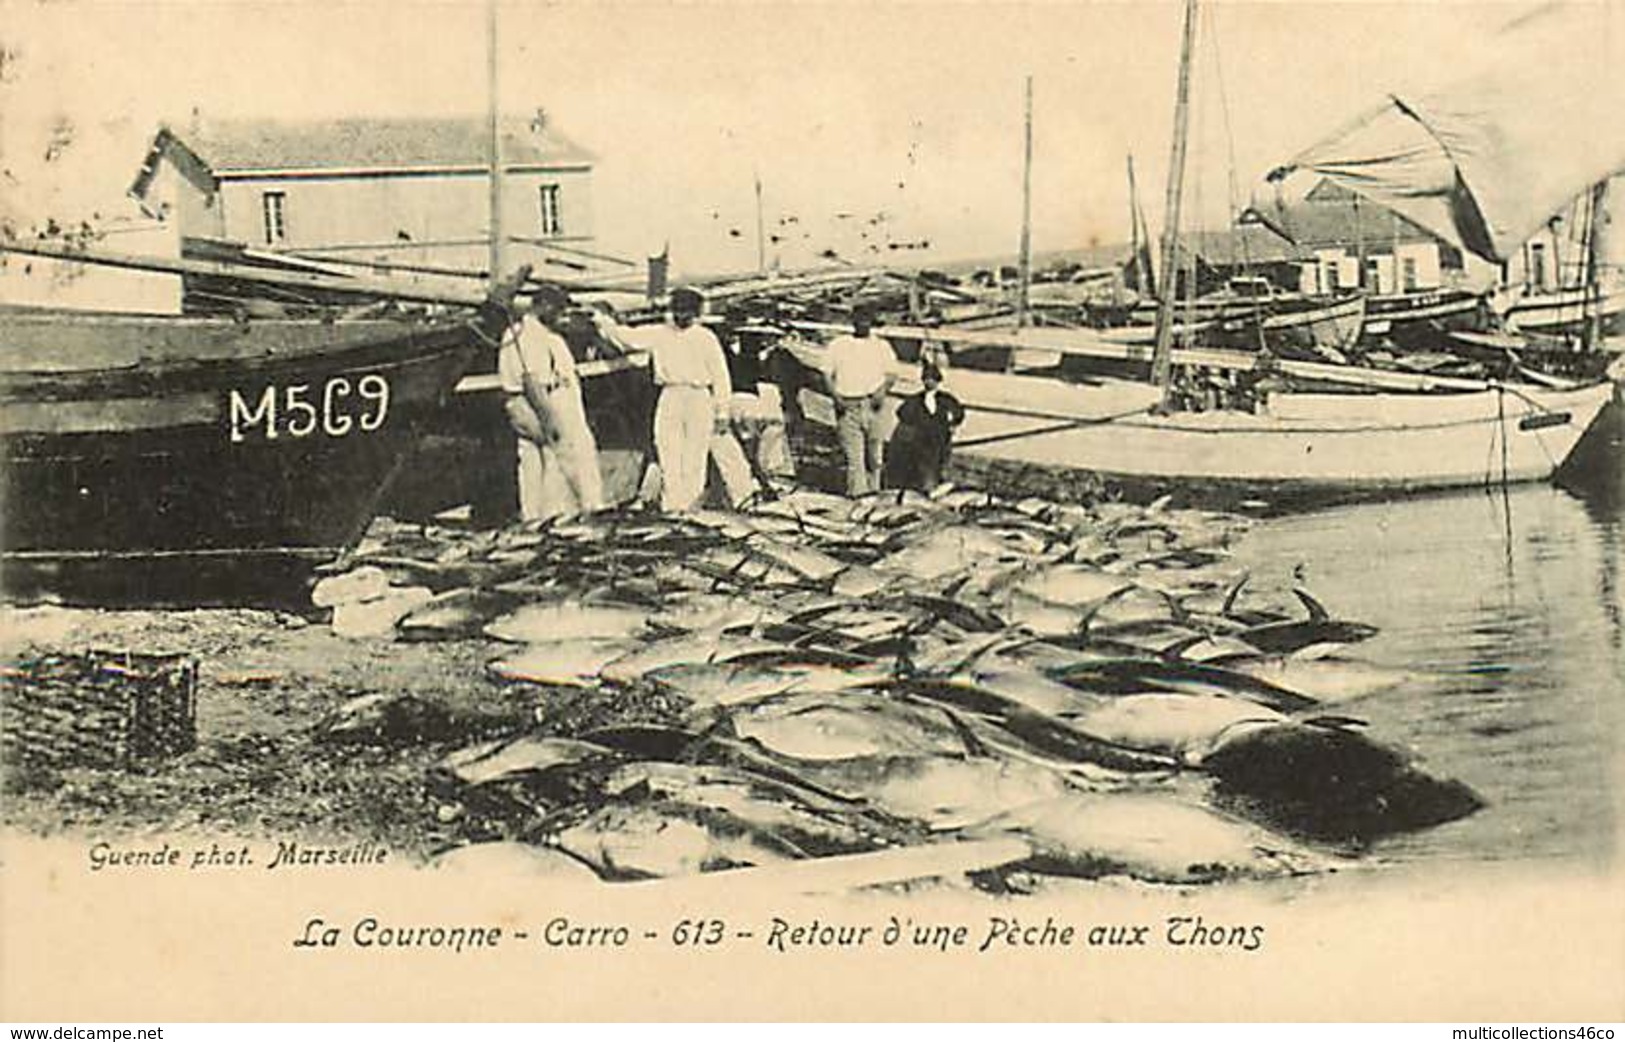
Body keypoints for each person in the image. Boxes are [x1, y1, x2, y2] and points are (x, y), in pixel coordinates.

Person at [596, 287, 755, 512]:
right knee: (668, 450)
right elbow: (629, 338)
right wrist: (604, 322)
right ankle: (672, 507)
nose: (682, 317)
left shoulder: (706, 338)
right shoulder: (660, 333)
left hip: (699, 397)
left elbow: (721, 377)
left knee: (694, 455)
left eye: (687, 312)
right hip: (671, 395)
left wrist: (722, 413)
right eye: (678, 311)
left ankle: (690, 506)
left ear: (696, 313)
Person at [498, 285, 605, 521]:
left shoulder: (543, 335)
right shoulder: (528, 335)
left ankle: (538, 518)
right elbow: (533, 384)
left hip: (547, 401)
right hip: (546, 403)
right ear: (544, 306)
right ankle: (554, 519)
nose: (561, 316)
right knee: (556, 467)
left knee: (535, 467)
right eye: (558, 311)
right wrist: (549, 421)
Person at [824, 303, 897, 496]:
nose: (862, 324)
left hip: (874, 405)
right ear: (852, 321)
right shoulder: (838, 345)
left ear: (871, 322)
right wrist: (836, 397)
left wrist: (882, 391)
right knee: (854, 459)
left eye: (866, 320)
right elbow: (826, 374)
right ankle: (858, 499)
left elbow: (891, 374)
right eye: (859, 320)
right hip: (848, 406)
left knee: (875, 457)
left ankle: (876, 497)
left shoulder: (881, 345)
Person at [884, 361, 965, 491]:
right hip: (920, 441)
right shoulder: (916, 399)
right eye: (926, 379)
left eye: (932, 379)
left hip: (940, 440)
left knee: (939, 467)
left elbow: (958, 413)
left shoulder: (946, 399)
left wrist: (952, 425)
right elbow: (902, 412)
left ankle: (935, 486)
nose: (929, 382)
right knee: (921, 469)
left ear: (938, 381)